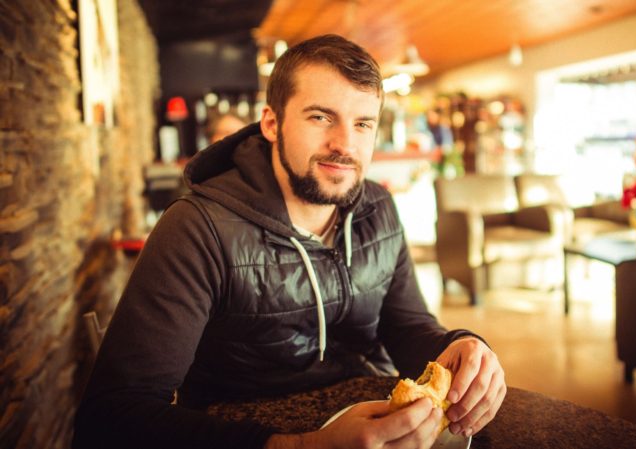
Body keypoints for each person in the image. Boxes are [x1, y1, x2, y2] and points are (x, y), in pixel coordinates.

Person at [73, 34, 505, 449]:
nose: (345, 145)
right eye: (321, 117)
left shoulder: (378, 209)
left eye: (362, 123)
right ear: (272, 123)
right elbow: (113, 417)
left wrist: (461, 346)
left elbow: (407, 326)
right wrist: (306, 445)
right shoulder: (197, 229)